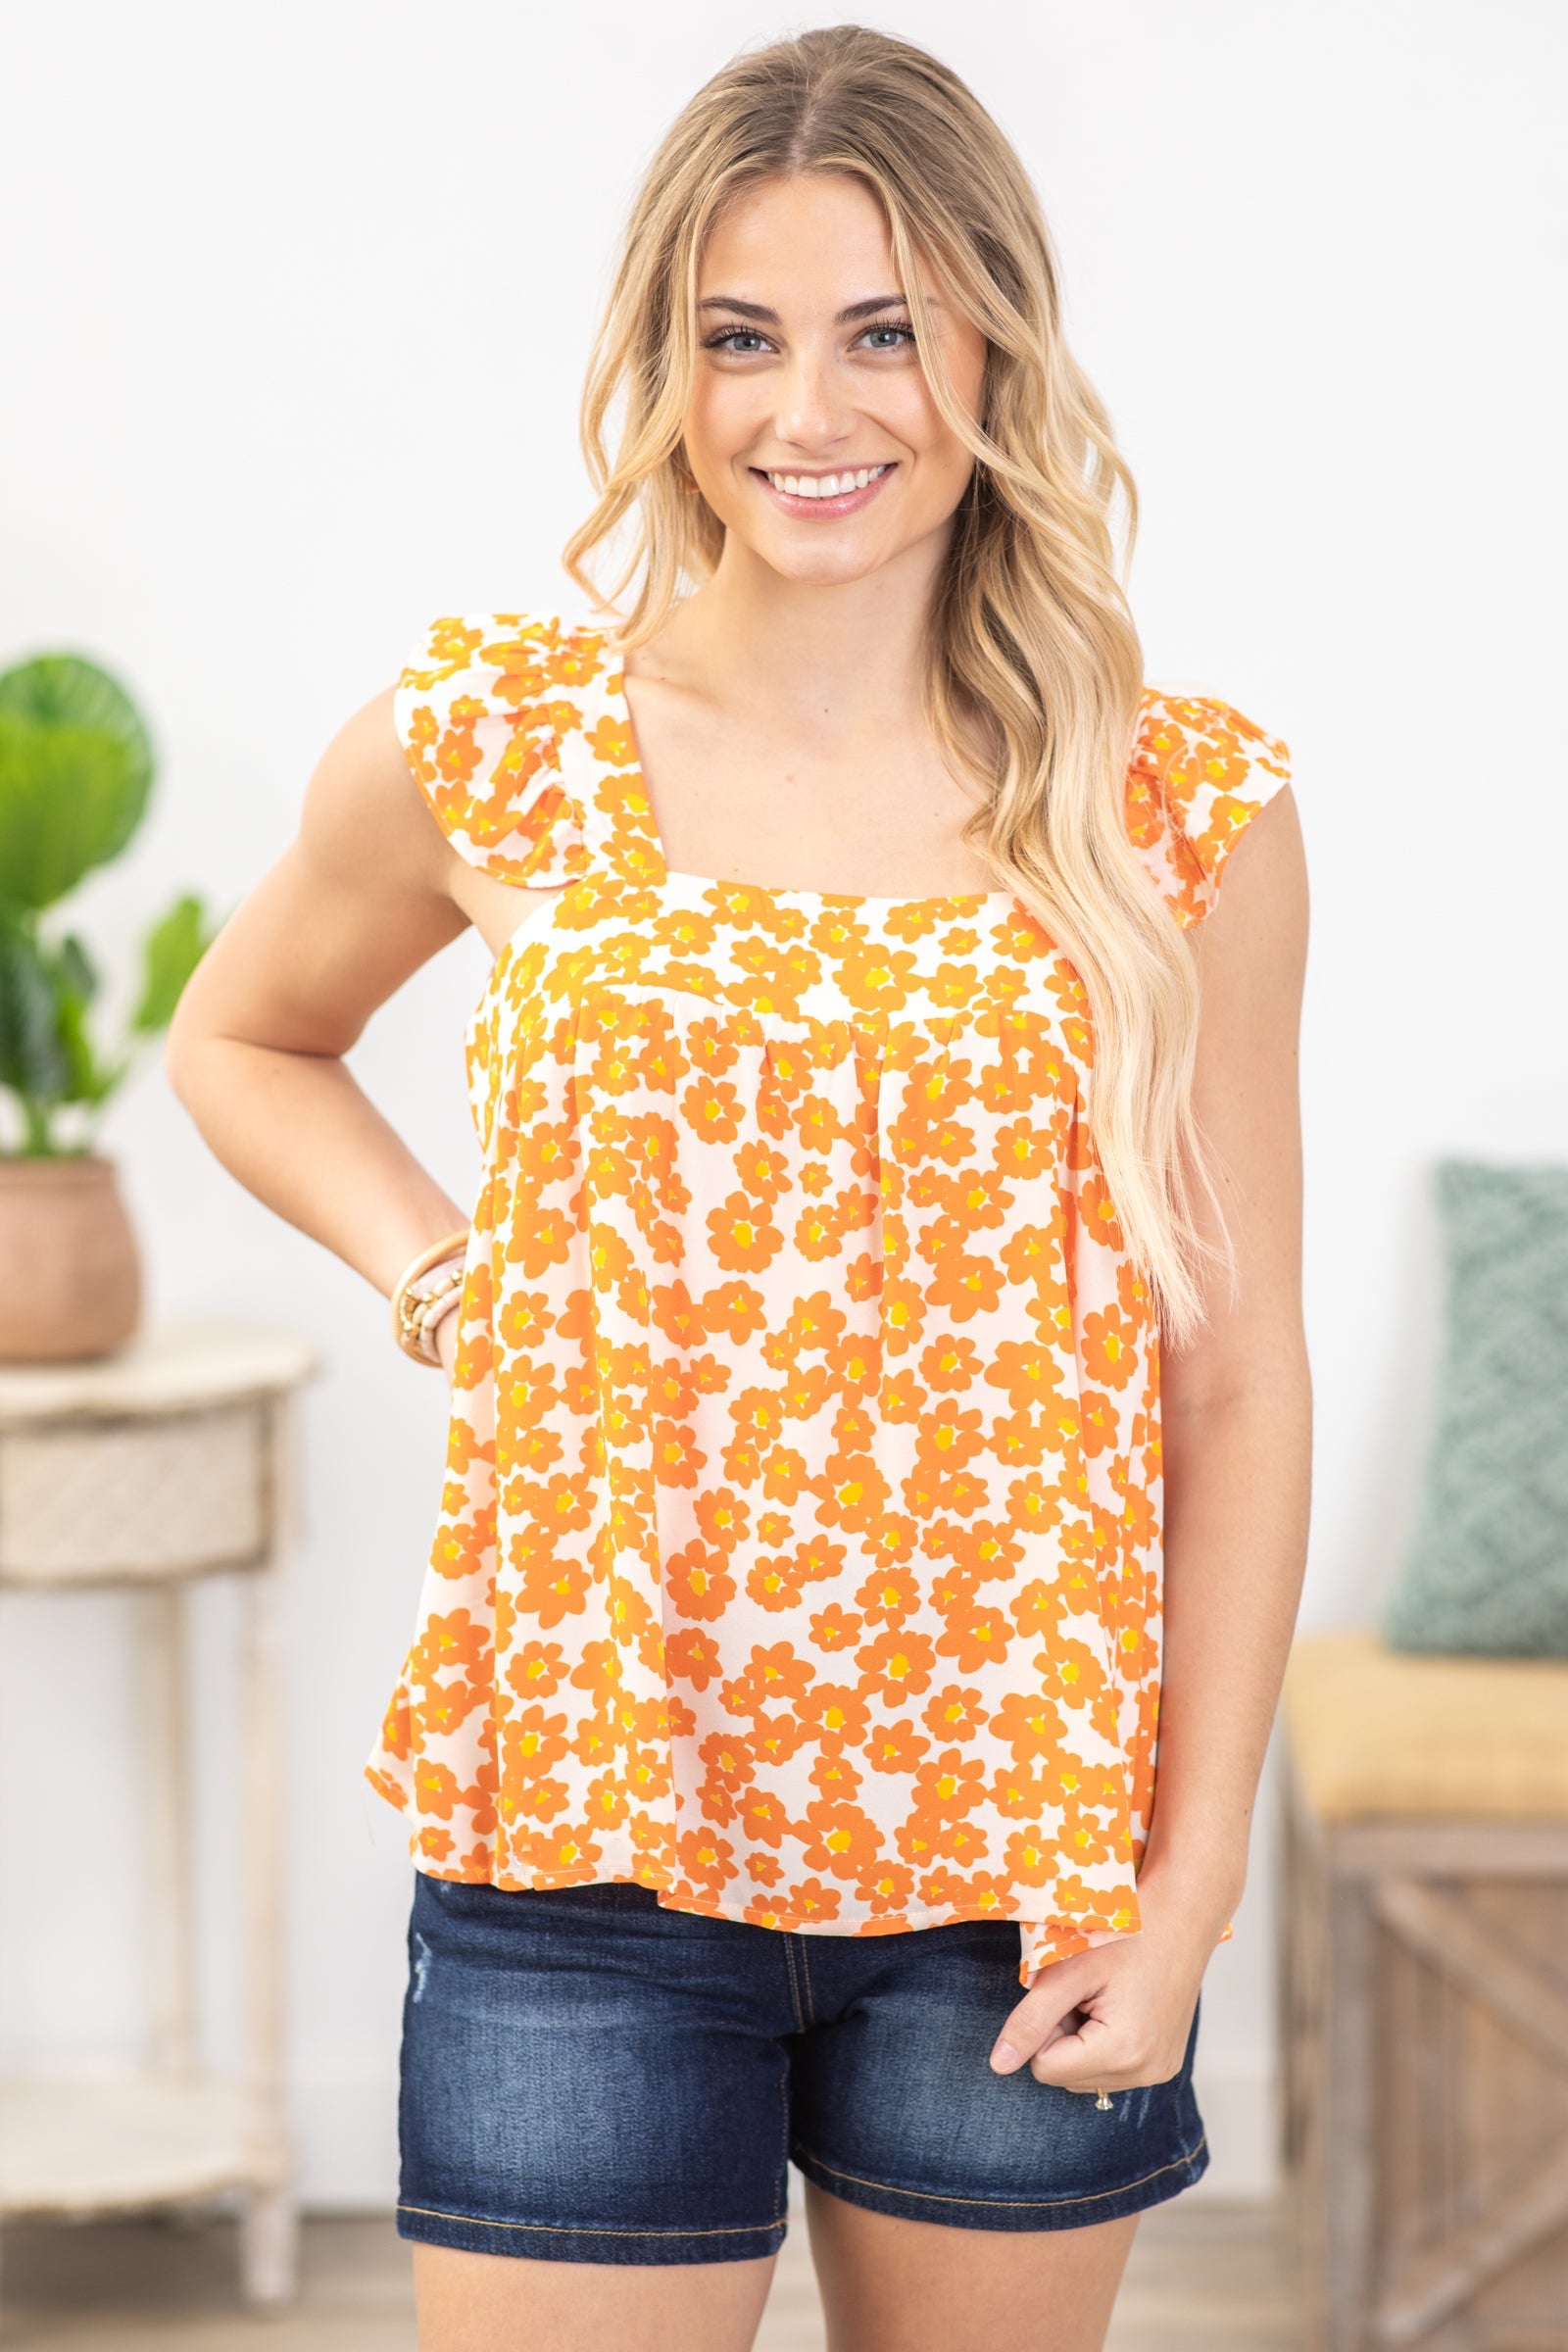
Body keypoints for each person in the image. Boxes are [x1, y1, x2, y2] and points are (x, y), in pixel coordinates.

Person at [168, 24, 1310, 2352]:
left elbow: (1233, 1378)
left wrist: (1185, 1890)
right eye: (739, 336)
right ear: (664, 366)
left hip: (1015, 1863)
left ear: (992, 343)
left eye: (882, 330)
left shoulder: (1170, 807)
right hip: (585, 1834)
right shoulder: (500, 742)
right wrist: (445, 1272)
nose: (809, 408)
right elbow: (242, 1036)